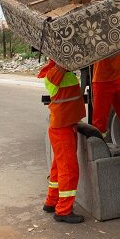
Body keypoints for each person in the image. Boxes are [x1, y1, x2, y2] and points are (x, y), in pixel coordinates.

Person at [37, 59, 86, 224]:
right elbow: (62, 66)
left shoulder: (66, 73)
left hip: (66, 126)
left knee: (58, 168)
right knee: (69, 171)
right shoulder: (53, 75)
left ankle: (51, 202)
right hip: (62, 129)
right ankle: (63, 210)